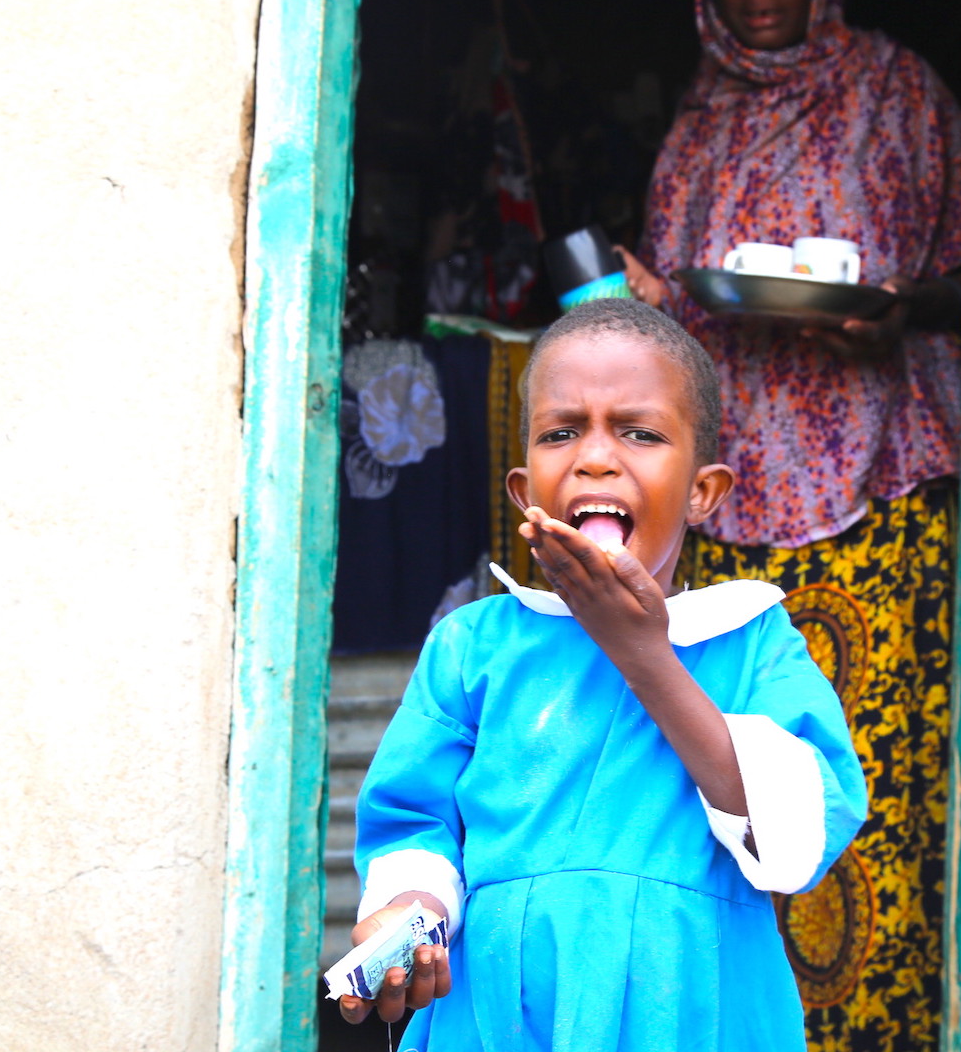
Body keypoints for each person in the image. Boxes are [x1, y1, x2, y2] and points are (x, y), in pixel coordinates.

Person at [614, 0, 961, 1052]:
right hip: (726, 509)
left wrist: (898, 312)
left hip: (880, 500)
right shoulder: (699, 123)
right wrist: (650, 301)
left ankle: (881, 1027)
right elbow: (673, 315)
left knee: (865, 783)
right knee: (733, 789)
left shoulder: (899, 91)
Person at [339, 298, 866, 1051]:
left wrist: (646, 655)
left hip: (687, 1012)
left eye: (639, 432)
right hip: (499, 1015)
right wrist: (406, 913)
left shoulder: (750, 641)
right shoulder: (473, 646)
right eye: (561, 432)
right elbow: (414, 824)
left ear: (701, 492)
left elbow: (795, 837)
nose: (593, 457)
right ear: (524, 493)